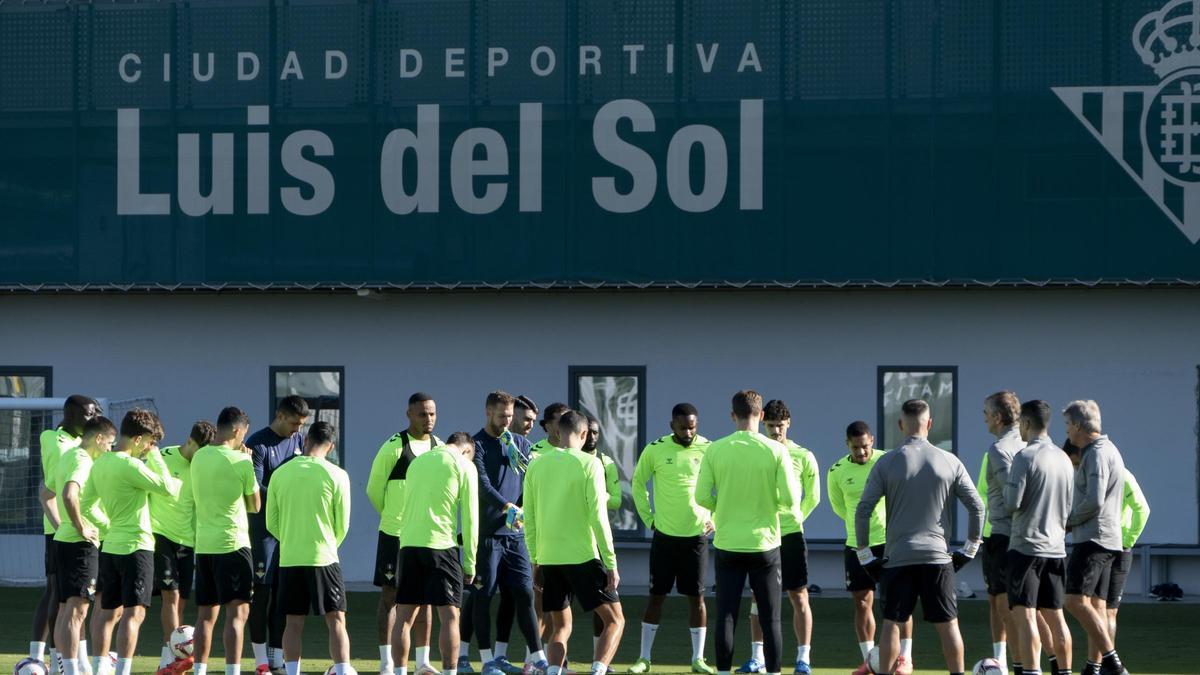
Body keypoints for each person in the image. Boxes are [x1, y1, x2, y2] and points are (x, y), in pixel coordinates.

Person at [854, 399, 984, 675]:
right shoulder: (950, 460)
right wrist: (970, 549)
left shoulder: (887, 461)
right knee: (949, 624)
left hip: (898, 558)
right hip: (937, 558)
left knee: (891, 622)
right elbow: (978, 507)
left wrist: (865, 555)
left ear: (901, 425)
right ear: (930, 424)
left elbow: (863, 509)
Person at [695, 391, 801, 675]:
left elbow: (701, 496)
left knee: (726, 616)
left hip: (729, 542)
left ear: (733, 415)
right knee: (771, 619)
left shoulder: (715, 449)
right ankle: (775, 672)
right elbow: (791, 499)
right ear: (762, 416)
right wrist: (769, 505)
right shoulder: (777, 450)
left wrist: (724, 506)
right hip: (765, 543)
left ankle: (722, 671)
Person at [525, 410, 625, 675]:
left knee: (561, 626)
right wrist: (611, 563)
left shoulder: (536, 464)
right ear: (583, 434)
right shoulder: (590, 464)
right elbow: (599, 517)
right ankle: (598, 671)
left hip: (549, 559)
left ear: (557, 432)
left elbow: (530, 520)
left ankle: (552, 671)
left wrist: (536, 560)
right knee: (615, 621)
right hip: (583, 557)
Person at [88, 410, 182, 675]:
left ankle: (99, 669)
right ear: (140, 439)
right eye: (150, 443)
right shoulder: (131, 465)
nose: (149, 449)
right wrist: (154, 455)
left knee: (108, 613)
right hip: (136, 547)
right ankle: (122, 671)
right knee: (134, 613)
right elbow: (166, 486)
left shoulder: (101, 463)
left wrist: (109, 527)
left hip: (110, 547)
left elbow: (86, 505)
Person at [629, 402, 714, 675]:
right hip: (664, 537)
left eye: (692, 427)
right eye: (682, 427)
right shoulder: (655, 449)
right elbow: (638, 482)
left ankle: (698, 659)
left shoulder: (710, 449)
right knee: (656, 597)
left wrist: (716, 518)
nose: (688, 432)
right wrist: (648, 518)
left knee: (697, 599)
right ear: (671, 426)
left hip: (696, 538)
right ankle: (644, 658)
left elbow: (725, 484)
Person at [826, 422, 913, 675]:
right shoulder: (836, 471)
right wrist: (859, 530)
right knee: (862, 603)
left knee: (899, 600)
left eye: (865, 446)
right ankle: (870, 660)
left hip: (890, 542)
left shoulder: (888, 461)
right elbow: (839, 508)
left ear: (872, 440)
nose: (861, 452)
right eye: (856, 448)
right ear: (847, 445)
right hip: (857, 544)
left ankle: (905, 659)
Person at [266, 421, 353, 675]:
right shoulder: (337, 475)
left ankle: (292, 673)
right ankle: (343, 670)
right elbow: (343, 524)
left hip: (290, 558)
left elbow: (272, 522)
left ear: (305, 440)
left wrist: (293, 539)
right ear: (331, 446)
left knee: (292, 623)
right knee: (336, 619)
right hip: (324, 557)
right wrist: (327, 543)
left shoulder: (280, 474)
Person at [739, 400, 819, 675]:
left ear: (789, 424)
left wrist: (795, 519)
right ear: (763, 423)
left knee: (798, 596)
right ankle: (757, 658)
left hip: (791, 535)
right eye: (771, 426)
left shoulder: (803, 455)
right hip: (761, 536)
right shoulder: (756, 452)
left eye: (780, 426)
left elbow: (814, 496)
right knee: (757, 598)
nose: (776, 431)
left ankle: (803, 659)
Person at [472, 391, 547, 674]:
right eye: (501, 415)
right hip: (489, 536)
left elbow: (532, 481)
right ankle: (487, 659)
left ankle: (538, 657)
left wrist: (523, 510)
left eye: (509, 416)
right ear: (488, 412)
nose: (506, 421)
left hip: (516, 536)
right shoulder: (477, 444)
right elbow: (482, 484)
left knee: (525, 594)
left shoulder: (521, 444)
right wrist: (508, 507)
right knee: (484, 595)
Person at [368, 393, 443, 675]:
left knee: (425, 599)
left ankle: (423, 662)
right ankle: (387, 663)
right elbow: (374, 489)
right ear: (409, 414)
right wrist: (393, 516)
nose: (429, 419)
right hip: (395, 534)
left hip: (426, 536)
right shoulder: (394, 446)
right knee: (391, 597)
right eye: (423, 414)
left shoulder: (440, 447)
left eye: (433, 414)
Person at [394, 432, 479, 675]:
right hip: (441, 546)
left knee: (404, 616)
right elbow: (471, 518)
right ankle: (450, 672)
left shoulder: (418, 461)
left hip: (409, 545)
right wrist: (470, 563)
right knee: (451, 615)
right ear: (467, 450)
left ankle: (399, 672)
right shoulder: (463, 465)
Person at [1004, 400, 1075, 675]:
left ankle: (1032, 671)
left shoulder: (1024, 457)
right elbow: (1069, 507)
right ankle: (1065, 671)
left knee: (1025, 617)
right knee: (1056, 617)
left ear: (1026, 422)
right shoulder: (1064, 458)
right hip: (1056, 549)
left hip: (1025, 548)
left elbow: (1012, 502)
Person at [191, 407, 262, 675]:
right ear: (237, 430)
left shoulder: (198, 457)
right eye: (244, 433)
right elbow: (255, 505)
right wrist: (247, 463)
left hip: (205, 545)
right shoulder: (241, 461)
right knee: (237, 614)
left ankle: (200, 670)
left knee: (205, 616)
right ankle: (232, 671)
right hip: (232, 544)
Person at [1062, 400, 1130, 675]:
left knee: (1073, 599)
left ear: (1078, 425)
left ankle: (1112, 663)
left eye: (1067, 424)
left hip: (1094, 538)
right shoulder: (1107, 449)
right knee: (1096, 605)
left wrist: (1066, 523)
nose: (1066, 430)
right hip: (1107, 538)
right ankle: (1094, 667)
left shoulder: (1096, 454)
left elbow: (1094, 500)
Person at [245, 396, 310, 675]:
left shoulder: (299, 442)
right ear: (280, 416)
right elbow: (257, 488)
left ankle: (277, 655)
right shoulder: (258, 443)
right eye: (295, 423)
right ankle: (260, 660)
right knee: (261, 593)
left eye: (302, 425)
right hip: (263, 532)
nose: (298, 429)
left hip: (290, 532)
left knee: (285, 594)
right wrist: (288, 501)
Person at [35, 395, 101, 670]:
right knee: (60, 596)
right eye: (88, 414)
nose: (93, 419)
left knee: (77, 600)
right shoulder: (55, 439)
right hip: (63, 530)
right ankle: (54, 658)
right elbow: (50, 490)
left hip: (77, 531)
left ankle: (75, 659)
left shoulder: (82, 444)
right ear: (71, 415)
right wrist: (67, 523)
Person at [151, 421, 216, 673]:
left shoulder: (202, 467)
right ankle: (171, 658)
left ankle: (169, 655)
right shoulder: (163, 457)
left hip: (188, 541)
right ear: (190, 442)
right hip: (161, 534)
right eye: (199, 451)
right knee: (171, 595)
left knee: (181, 602)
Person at [52, 416, 115, 675]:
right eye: (109, 443)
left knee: (66, 609)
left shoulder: (68, 455)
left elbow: (47, 493)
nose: (110, 449)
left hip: (63, 541)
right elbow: (68, 493)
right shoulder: (82, 460)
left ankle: (65, 668)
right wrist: (81, 526)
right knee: (77, 612)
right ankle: (72, 670)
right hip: (79, 545)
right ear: (98, 439)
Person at [980, 391, 1023, 672]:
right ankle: (1005, 662)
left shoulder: (1001, 450)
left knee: (1011, 606)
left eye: (986, 413)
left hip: (1007, 536)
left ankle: (1022, 665)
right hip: (1001, 535)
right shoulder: (1029, 444)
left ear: (997, 416)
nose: (983, 418)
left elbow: (1014, 498)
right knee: (999, 601)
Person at [583, 413, 622, 671]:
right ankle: (544, 662)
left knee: (604, 607)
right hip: (575, 541)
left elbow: (617, 500)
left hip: (598, 540)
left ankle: (601, 660)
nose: (593, 437)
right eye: (589, 432)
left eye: (597, 432)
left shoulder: (606, 462)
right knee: (559, 609)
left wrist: (595, 495)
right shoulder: (569, 460)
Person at [1106, 471, 1148, 643]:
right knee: (1095, 607)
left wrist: (1127, 541)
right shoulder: (1091, 473)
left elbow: (1142, 509)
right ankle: (1098, 662)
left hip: (1118, 548)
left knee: (1108, 609)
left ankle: (1105, 661)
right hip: (1098, 546)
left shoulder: (1123, 476)